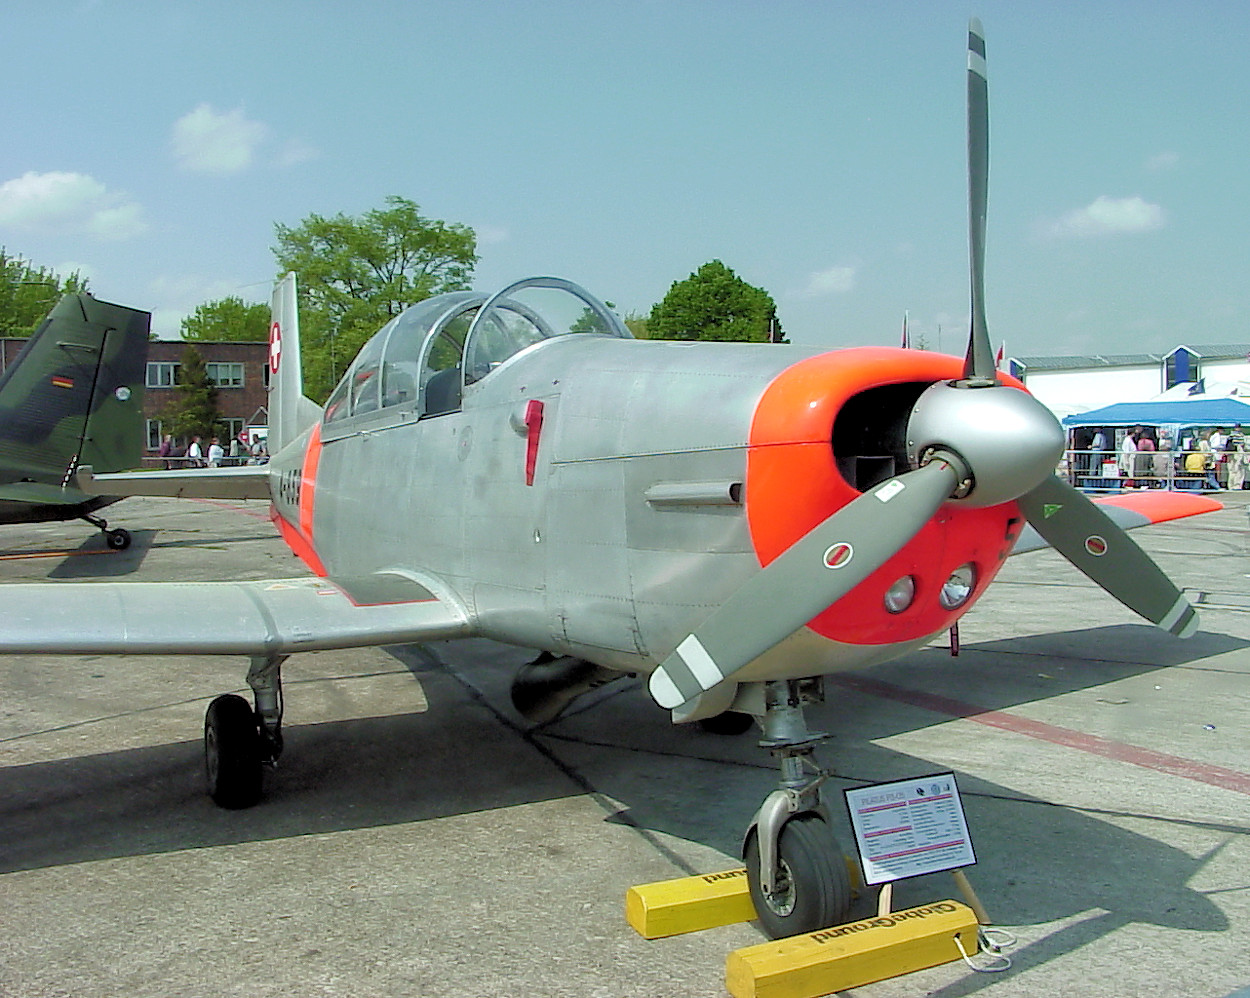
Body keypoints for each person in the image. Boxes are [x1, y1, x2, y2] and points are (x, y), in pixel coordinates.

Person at [1228, 424, 1248, 491]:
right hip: (1236, 453)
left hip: (1238, 453)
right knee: (1236, 470)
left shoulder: (1238, 435)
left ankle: (1236, 485)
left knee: (1237, 470)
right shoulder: (1234, 436)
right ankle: (1235, 485)